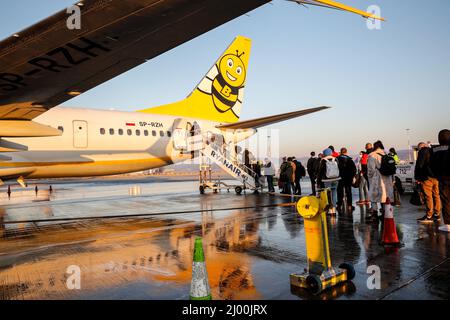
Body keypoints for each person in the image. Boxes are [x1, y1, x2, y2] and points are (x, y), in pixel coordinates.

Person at [367, 140, 394, 220]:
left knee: (373, 196)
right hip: (387, 178)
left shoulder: (372, 155)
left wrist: (369, 177)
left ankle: (374, 214)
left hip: (377, 178)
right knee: (385, 196)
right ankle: (384, 213)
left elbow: (371, 169)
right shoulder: (385, 154)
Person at [415, 142, 441, 223]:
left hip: (426, 178)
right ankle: (437, 214)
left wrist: (418, 178)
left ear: (420, 147)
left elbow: (420, 165)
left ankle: (429, 215)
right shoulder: (433, 151)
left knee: (428, 196)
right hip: (436, 177)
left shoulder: (422, 152)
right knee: (436, 195)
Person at [431, 129, 450, 232]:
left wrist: (436, 175)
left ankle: (448, 223)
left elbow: (431, 165)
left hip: (443, 178)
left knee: (446, 200)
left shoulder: (434, 150)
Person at [317, 148, 341, 214]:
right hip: (336, 178)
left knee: (328, 194)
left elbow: (320, 172)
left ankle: (330, 209)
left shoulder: (323, 160)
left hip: (326, 179)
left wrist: (318, 182)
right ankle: (334, 208)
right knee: (334, 193)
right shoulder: (335, 159)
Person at [337, 147, 357, 213]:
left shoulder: (337, 159)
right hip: (348, 178)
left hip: (340, 178)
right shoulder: (350, 160)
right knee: (348, 192)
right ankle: (349, 206)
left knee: (340, 192)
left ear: (340, 152)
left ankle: (339, 205)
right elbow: (354, 169)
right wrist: (352, 176)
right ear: (346, 152)